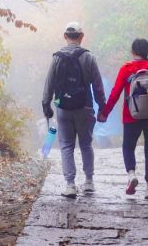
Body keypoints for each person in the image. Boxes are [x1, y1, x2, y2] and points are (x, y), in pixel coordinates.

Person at [97, 38, 148, 199]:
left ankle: (131, 174)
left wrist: (105, 113)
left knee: (128, 147)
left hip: (131, 115)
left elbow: (115, 93)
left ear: (133, 52)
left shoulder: (126, 69)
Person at [42, 21, 106, 199]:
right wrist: (102, 108)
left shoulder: (57, 58)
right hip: (84, 106)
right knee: (86, 144)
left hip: (62, 106)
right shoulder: (88, 57)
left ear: (65, 36)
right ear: (81, 37)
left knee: (66, 145)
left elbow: (49, 85)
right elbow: (98, 86)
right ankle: (88, 182)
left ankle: (70, 184)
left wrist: (47, 106)